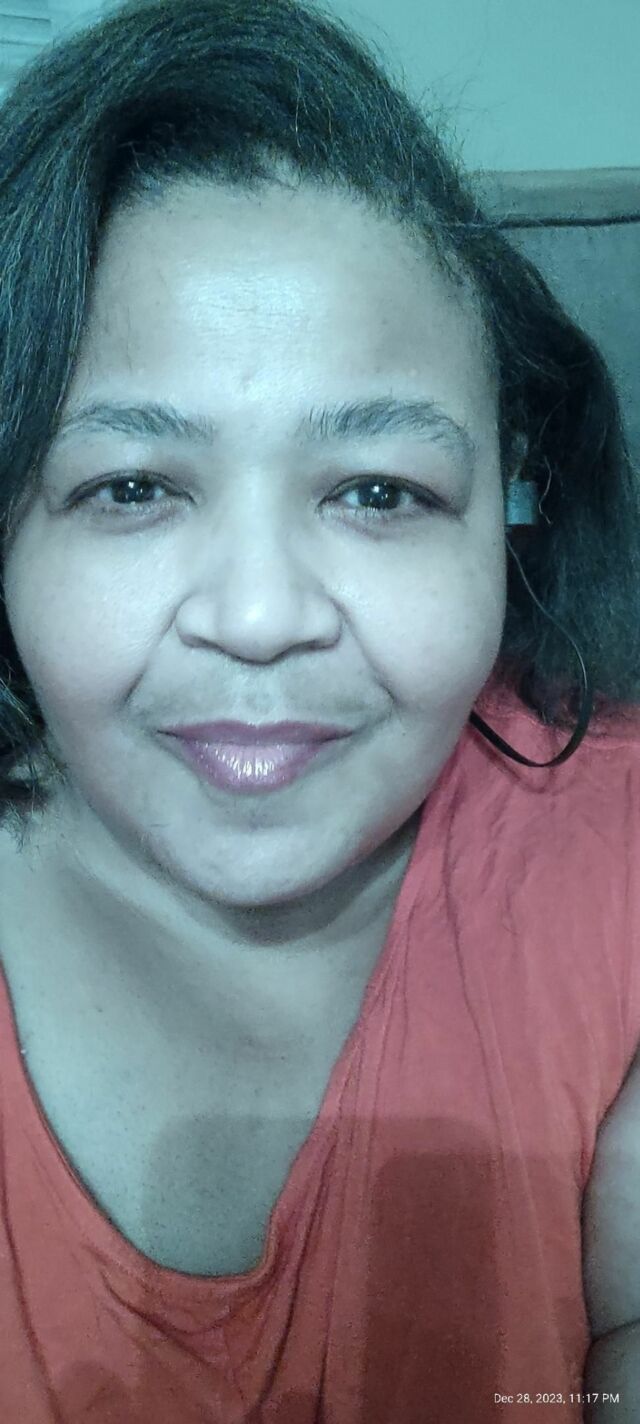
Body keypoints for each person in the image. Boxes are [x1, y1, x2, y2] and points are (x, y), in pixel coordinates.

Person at [0, 1, 638, 1420]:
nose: (258, 614)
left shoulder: (617, 870)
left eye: (377, 493)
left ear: (513, 509)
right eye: (131, 488)